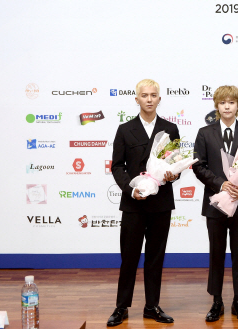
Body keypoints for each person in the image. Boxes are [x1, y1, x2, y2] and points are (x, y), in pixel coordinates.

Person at [107, 79, 179, 327]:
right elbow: (117, 166)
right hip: (133, 204)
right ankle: (121, 307)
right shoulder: (125, 129)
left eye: (153, 95)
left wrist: (173, 174)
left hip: (161, 203)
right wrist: (131, 189)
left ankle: (152, 306)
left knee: (155, 258)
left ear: (159, 99)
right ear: (136, 99)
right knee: (129, 257)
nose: (149, 99)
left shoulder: (170, 128)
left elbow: (174, 164)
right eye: (144, 95)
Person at [192, 86, 238, 322]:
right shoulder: (204, 133)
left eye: (231, 102)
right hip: (215, 202)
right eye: (223, 103)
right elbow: (198, 166)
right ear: (216, 106)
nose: (227, 106)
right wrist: (221, 184)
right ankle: (217, 301)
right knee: (216, 253)